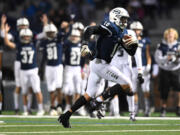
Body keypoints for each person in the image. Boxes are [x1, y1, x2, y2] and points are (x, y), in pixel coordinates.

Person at [58, 7, 139, 128]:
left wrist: (134, 45)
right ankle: (99, 101)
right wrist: (84, 44)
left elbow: (131, 53)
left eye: (125, 19)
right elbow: (89, 29)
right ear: (115, 18)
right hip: (100, 64)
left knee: (88, 95)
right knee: (127, 84)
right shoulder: (111, 27)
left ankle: (66, 115)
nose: (124, 22)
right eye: (122, 19)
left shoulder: (122, 32)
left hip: (98, 64)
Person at [4, 25, 44, 116]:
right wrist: (6, 33)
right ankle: (26, 109)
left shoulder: (34, 43)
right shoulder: (19, 45)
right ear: (21, 37)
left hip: (33, 70)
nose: (26, 38)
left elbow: (40, 35)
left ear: (30, 36)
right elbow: (8, 43)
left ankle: (41, 109)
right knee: (24, 91)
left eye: (27, 36)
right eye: (24, 36)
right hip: (23, 71)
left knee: (37, 90)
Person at [108, 29, 143, 120]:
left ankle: (132, 112)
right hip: (113, 64)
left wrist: (140, 71)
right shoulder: (111, 32)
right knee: (111, 89)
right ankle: (114, 111)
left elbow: (137, 53)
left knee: (129, 88)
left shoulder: (130, 33)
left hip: (126, 65)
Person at [155, 28, 180, 117]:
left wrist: (176, 59)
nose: (170, 35)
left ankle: (178, 108)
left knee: (178, 90)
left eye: (172, 34)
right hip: (164, 70)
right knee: (164, 90)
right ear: (166, 35)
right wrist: (167, 58)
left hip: (175, 70)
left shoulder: (178, 45)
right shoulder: (161, 45)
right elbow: (157, 59)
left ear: (175, 35)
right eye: (168, 34)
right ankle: (163, 109)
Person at [39, 23, 63, 116]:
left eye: (52, 32)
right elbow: (44, 57)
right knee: (51, 88)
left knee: (58, 87)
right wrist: (41, 68)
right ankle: (53, 107)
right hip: (49, 66)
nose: (50, 34)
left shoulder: (59, 39)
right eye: (48, 33)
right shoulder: (44, 42)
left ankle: (59, 105)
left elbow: (63, 34)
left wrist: (61, 27)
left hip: (58, 66)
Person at [130, 21, 152, 116]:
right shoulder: (128, 39)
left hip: (142, 66)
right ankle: (136, 108)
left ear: (141, 30)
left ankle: (147, 108)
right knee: (133, 89)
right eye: (134, 29)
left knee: (145, 89)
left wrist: (149, 65)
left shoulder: (145, 40)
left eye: (138, 29)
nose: (136, 31)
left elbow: (148, 54)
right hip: (133, 67)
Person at [62, 29, 85, 115]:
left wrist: (82, 70)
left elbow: (82, 59)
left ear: (79, 37)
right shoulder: (67, 44)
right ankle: (68, 106)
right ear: (70, 37)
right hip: (69, 68)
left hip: (77, 68)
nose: (75, 38)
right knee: (68, 89)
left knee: (78, 88)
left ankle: (76, 107)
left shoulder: (81, 45)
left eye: (76, 36)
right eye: (73, 36)